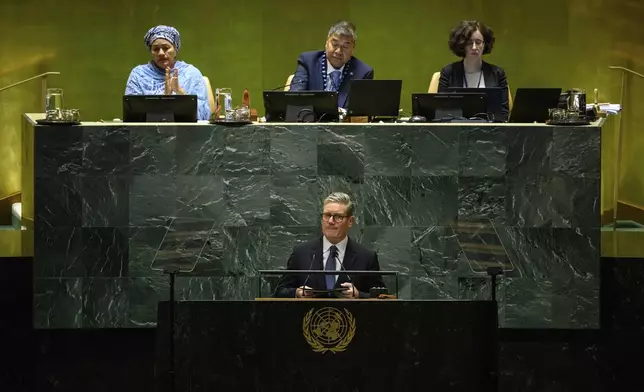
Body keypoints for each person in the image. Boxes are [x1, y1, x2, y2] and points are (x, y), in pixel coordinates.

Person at [274, 192, 385, 299]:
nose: (331, 221)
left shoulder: (366, 257)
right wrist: (297, 293)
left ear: (350, 221)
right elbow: (280, 291)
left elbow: (381, 297)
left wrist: (358, 295)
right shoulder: (301, 253)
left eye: (338, 217)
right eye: (327, 215)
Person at [125, 25, 211, 121]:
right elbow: (132, 116)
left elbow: (204, 116)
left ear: (175, 50)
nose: (161, 53)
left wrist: (180, 93)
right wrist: (164, 98)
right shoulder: (138, 74)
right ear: (151, 52)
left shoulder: (191, 73)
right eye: (156, 49)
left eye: (166, 48)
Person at [289, 21, 374, 109]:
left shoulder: (363, 73)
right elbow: (295, 99)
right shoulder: (308, 62)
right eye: (335, 44)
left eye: (345, 47)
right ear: (326, 43)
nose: (338, 51)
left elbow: (362, 111)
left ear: (353, 49)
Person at [438, 20, 509, 121]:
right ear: (461, 45)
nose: (474, 47)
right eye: (469, 43)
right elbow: (441, 111)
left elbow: (503, 113)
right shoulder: (448, 73)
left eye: (478, 42)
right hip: (456, 131)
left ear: (485, 45)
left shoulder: (498, 74)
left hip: (490, 132)